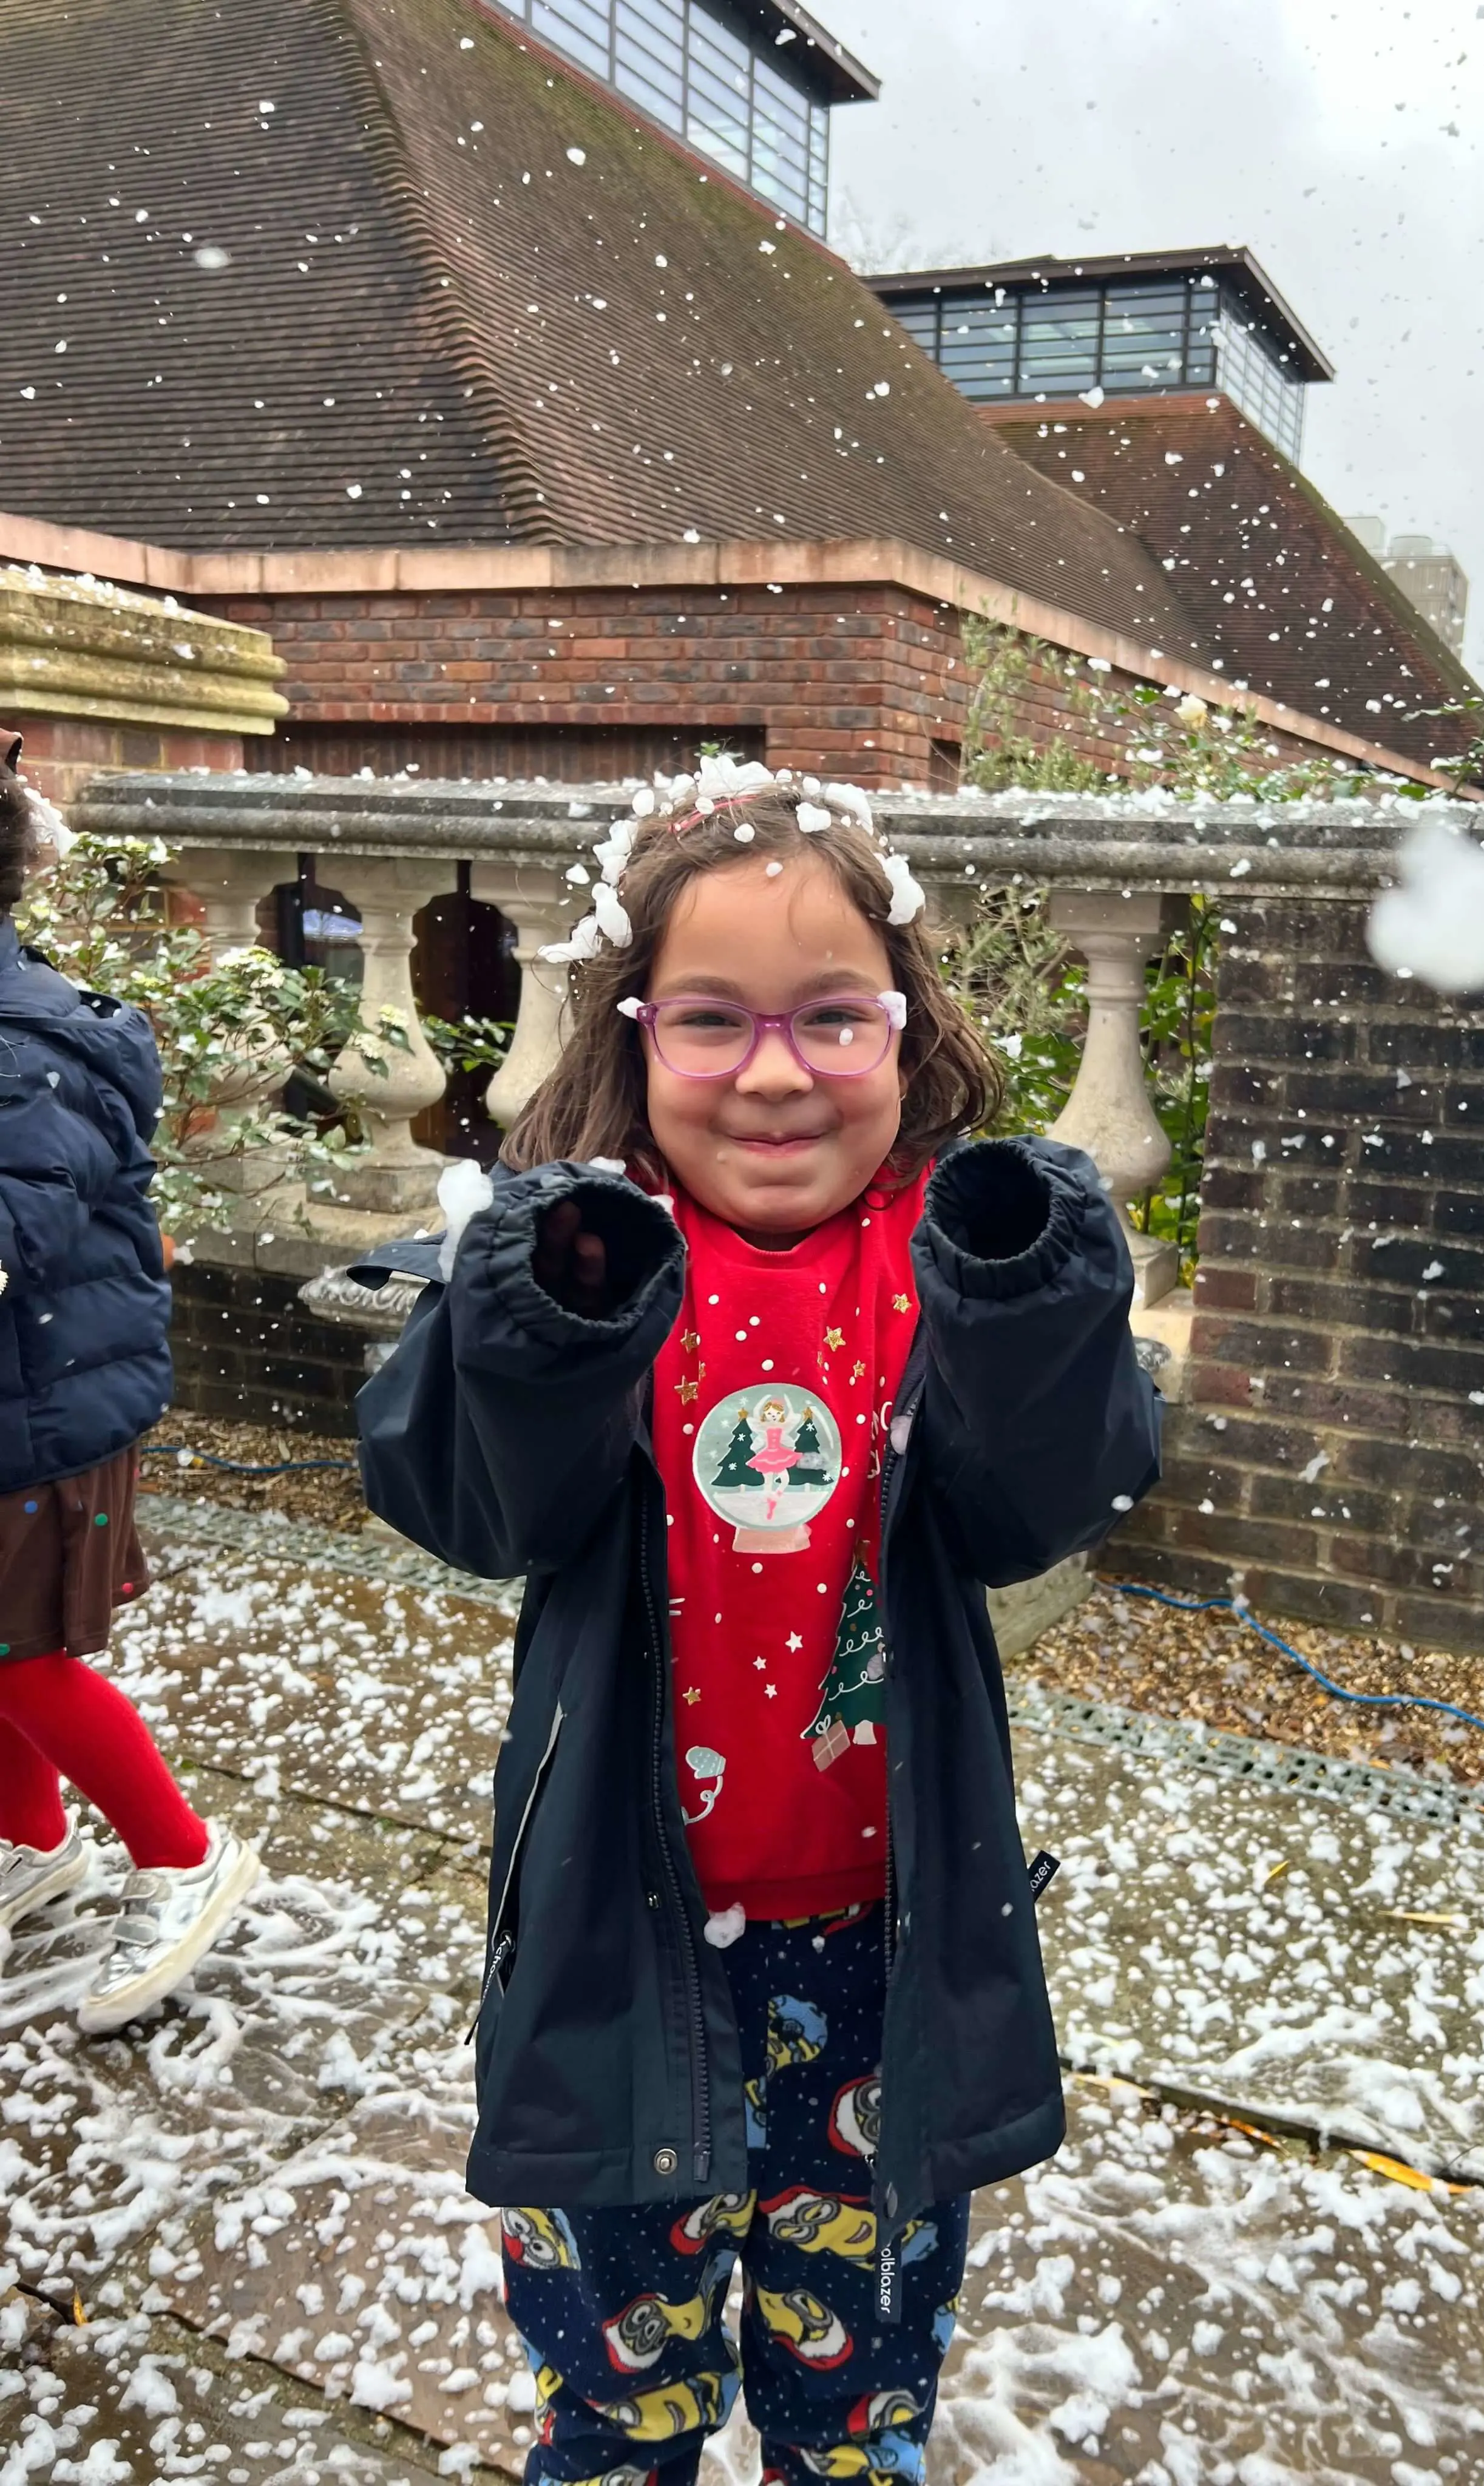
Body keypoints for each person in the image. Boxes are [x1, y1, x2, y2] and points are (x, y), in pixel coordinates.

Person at [353, 759, 1161, 2486]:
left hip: (886, 1965)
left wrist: (1026, 1307)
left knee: (853, 2420)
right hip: (613, 1953)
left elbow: (1048, 1503)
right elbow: (464, 1505)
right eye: (709, 1019)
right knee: (614, 2410)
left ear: (902, 1029)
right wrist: (543, 1316)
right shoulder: (581, 1258)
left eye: (829, 1019)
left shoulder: (945, 1256)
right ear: (631, 1033)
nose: (775, 1073)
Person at [0, 734, 259, 2032]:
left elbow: (12, 1235)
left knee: (29, 1660)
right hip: (22, 1402)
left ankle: (178, 1850)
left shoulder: (21, 1044)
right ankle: (33, 1843)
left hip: (42, 1416)